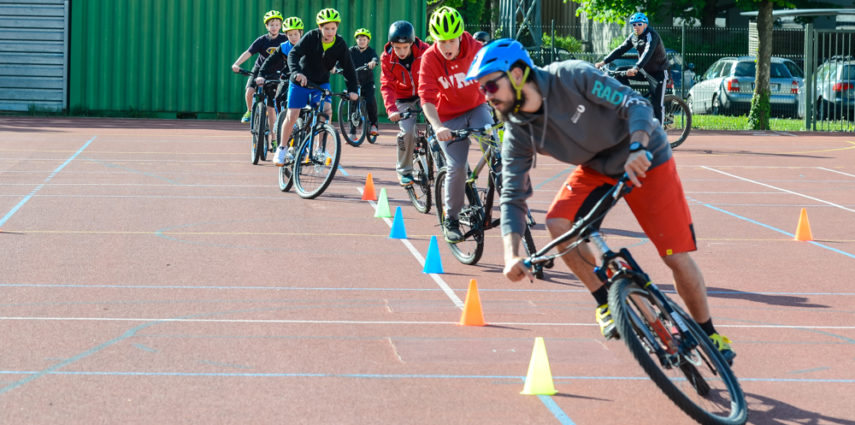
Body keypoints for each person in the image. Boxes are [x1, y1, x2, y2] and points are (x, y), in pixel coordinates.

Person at [466, 39, 736, 364]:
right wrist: (511, 255)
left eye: (491, 85)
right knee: (557, 223)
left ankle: (710, 334)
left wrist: (638, 147)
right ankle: (605, 301)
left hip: (646, 154)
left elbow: (636, 105)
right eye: (482, 89)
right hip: (597, 167)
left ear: (519, 74)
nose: (487, 96)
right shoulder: (517, 131)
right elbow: (512, 196)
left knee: (675, 256)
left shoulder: (573, 77)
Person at [418, 6, 490, 243]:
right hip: (448, 117)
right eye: (441, 41)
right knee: (457, 166)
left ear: (460, 36)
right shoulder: (429, 58)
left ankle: (514, 201)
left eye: (450, 40)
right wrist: (438, 126)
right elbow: (426, 98)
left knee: (497, 148)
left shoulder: (477, 49)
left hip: (478, 107)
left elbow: (495, 77)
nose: (446, 47)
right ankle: (451, 219)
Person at [273, 8, 359, 167]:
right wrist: (297, 73)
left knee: (326, 112)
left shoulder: (339, 44)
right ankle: (282, 148)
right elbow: (293, 54)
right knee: (292, 115)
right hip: (301, 81)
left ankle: (320, 149)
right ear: (320, 27)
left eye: (333, 28)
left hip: (321, 83)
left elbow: (348, 67)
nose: (330, 32)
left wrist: (353, 89)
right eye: (326, 28)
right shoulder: (311, 37)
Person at [595, 12, 669, 126]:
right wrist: (603, 62)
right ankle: (632, 99)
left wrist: (636, 68)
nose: (636, 27)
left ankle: (659, 132)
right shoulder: (633, 36)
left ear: (645, 24)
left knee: (657, 104)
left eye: (639, 24)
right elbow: (620, 49)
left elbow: (647, 53)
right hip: (644, 70)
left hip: (659, 73)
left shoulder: (652, 35)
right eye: (633, 24)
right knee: (619, 73)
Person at [380, 20, 430, 186]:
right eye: (397, 47)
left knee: (440, 123)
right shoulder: (387, 58)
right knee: (407, 131)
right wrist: (391, 109)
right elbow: (386, 85)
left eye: (405, 47)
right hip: (403, 97)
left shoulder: (425, 51)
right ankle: (404, 171)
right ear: (391, 44)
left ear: (412, 42)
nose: (401, 52)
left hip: (425, 93)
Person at [231, 10, 288, 123]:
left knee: (277, 97)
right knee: (249, 91)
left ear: (280, 26)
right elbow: (248, 52)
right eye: (271, 25)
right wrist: (237, 64)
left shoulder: (284, 39)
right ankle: (249, 111)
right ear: (267, 26)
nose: (274, 27)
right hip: (259, 70)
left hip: (277, 71)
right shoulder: (262, 40)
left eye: (277, 25)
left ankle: (278, 121)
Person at [256, 16, 304, 146]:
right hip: (287, 78)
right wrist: (261, 74)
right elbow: (268, 61)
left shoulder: (307, 45)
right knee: (278, 98)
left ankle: (303, 131)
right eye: (290, 34)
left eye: (296, 34)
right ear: (286, 35)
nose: (293, 37)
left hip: (304, 80)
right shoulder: (283, 47)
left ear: (301, 33)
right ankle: (279, 121)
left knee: (306, 107)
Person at [347, 28, 380, 137]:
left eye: (364, 39)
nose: (361, 41)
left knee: (370, 100)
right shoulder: (351, 51)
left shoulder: (370, 51)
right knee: (352, 104)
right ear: (356, 40)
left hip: (367, 82)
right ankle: (352, 132)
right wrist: (336, 67)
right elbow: (343, 59)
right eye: (359, 39)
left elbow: (375, 58)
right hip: (354, 83)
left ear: (368, 41)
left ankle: (374, 124)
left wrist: (373, 62)